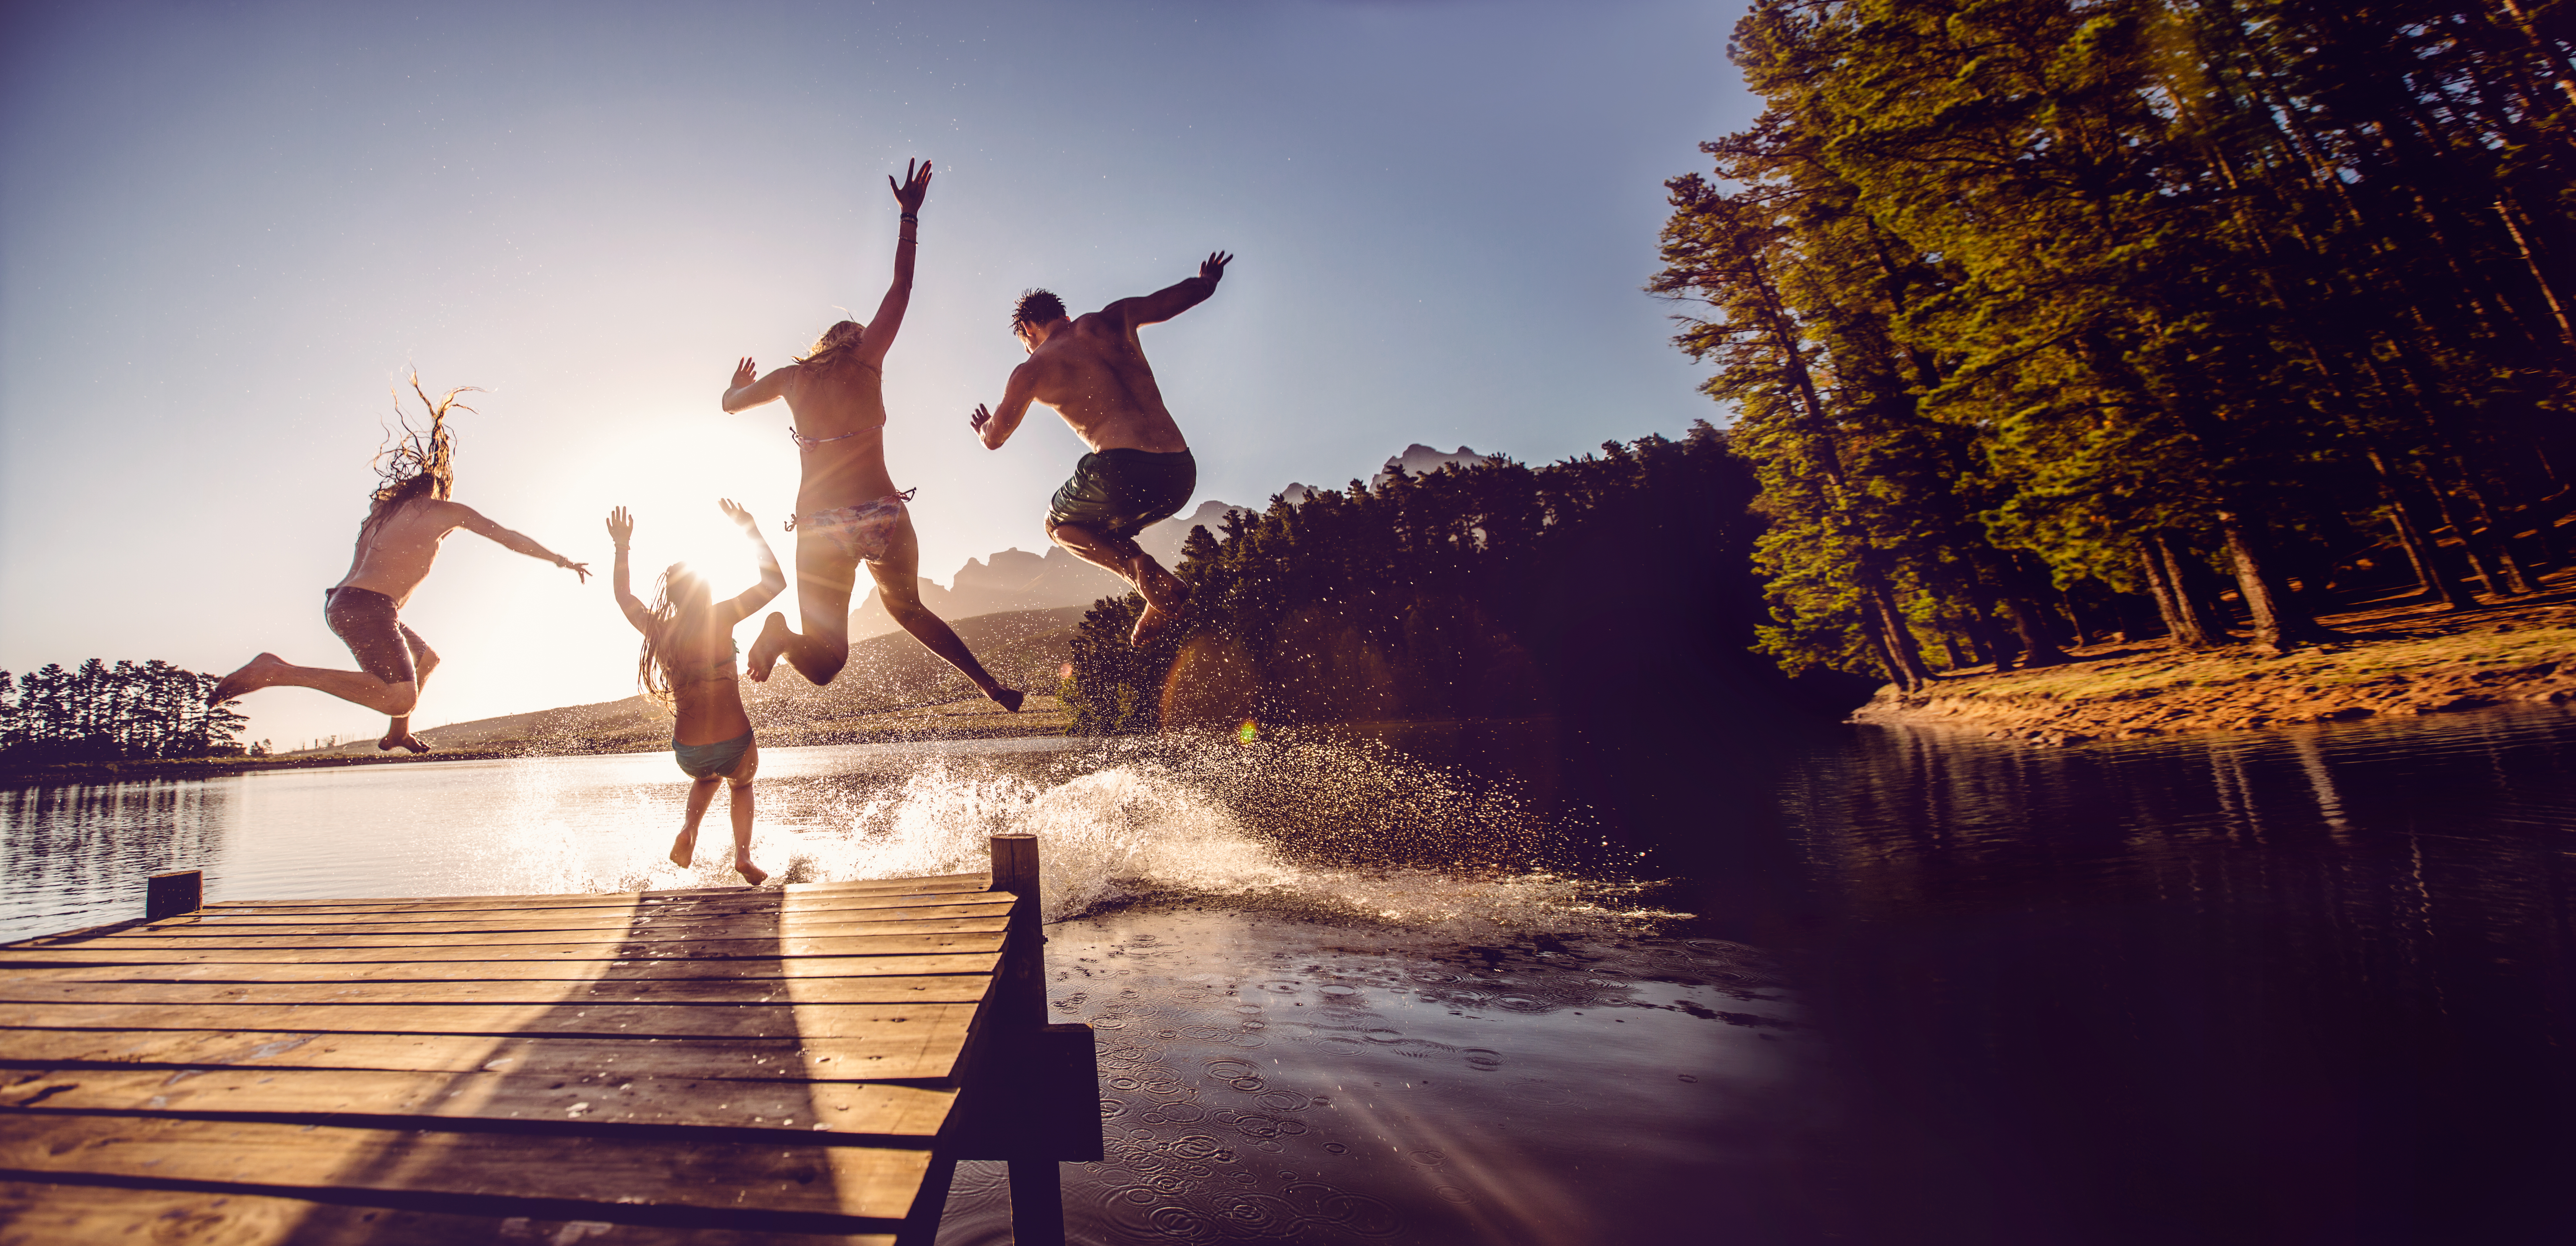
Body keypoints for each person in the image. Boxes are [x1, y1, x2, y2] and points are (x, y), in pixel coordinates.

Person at [722, 158, 1023, 711]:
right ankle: (987, 685)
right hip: (881, 514)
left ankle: (782, 635)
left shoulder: (791, 379)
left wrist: (733, 390)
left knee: (826, 662)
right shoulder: (865, 360)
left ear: (820, 346)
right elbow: (901, 289)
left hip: (820, 527)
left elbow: (731, 406)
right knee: (907, 609)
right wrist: (908, 216)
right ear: (856, 340)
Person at [211, 382, 590, 751]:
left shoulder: (384, 511)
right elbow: (507, 536)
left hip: (348, 604)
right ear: (441, 487)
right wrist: (560, 560)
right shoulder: (445, 511)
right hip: (368, 607)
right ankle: (278, 671)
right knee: (398, 698)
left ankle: (398, 735)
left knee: (426, 660)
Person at [969, 251, 1232, 646]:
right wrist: (1207, 281)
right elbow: (1180, 297)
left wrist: (982, 429)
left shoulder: (1032, 368)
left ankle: (1137, 570)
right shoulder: (1115, 318)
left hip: (1121, 471)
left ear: (1028, 328)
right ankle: (1156, 591)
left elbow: (995, 438)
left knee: (1057, 525)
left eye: (1025, 342)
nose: (1027, 350)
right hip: (1180, 475)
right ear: (1063, 313)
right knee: (1105, 529)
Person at [608, 500, 784, 885]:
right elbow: (775, 584)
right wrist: (750, 529)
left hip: (687, 751)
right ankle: (742, 856)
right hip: (735, 744)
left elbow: (625, 598)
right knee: (742, 783)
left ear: (671, 597)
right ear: (704, 591)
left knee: (706, 777)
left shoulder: (659, 631)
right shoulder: (721, 617)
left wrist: (622, 546)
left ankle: (690, 829)